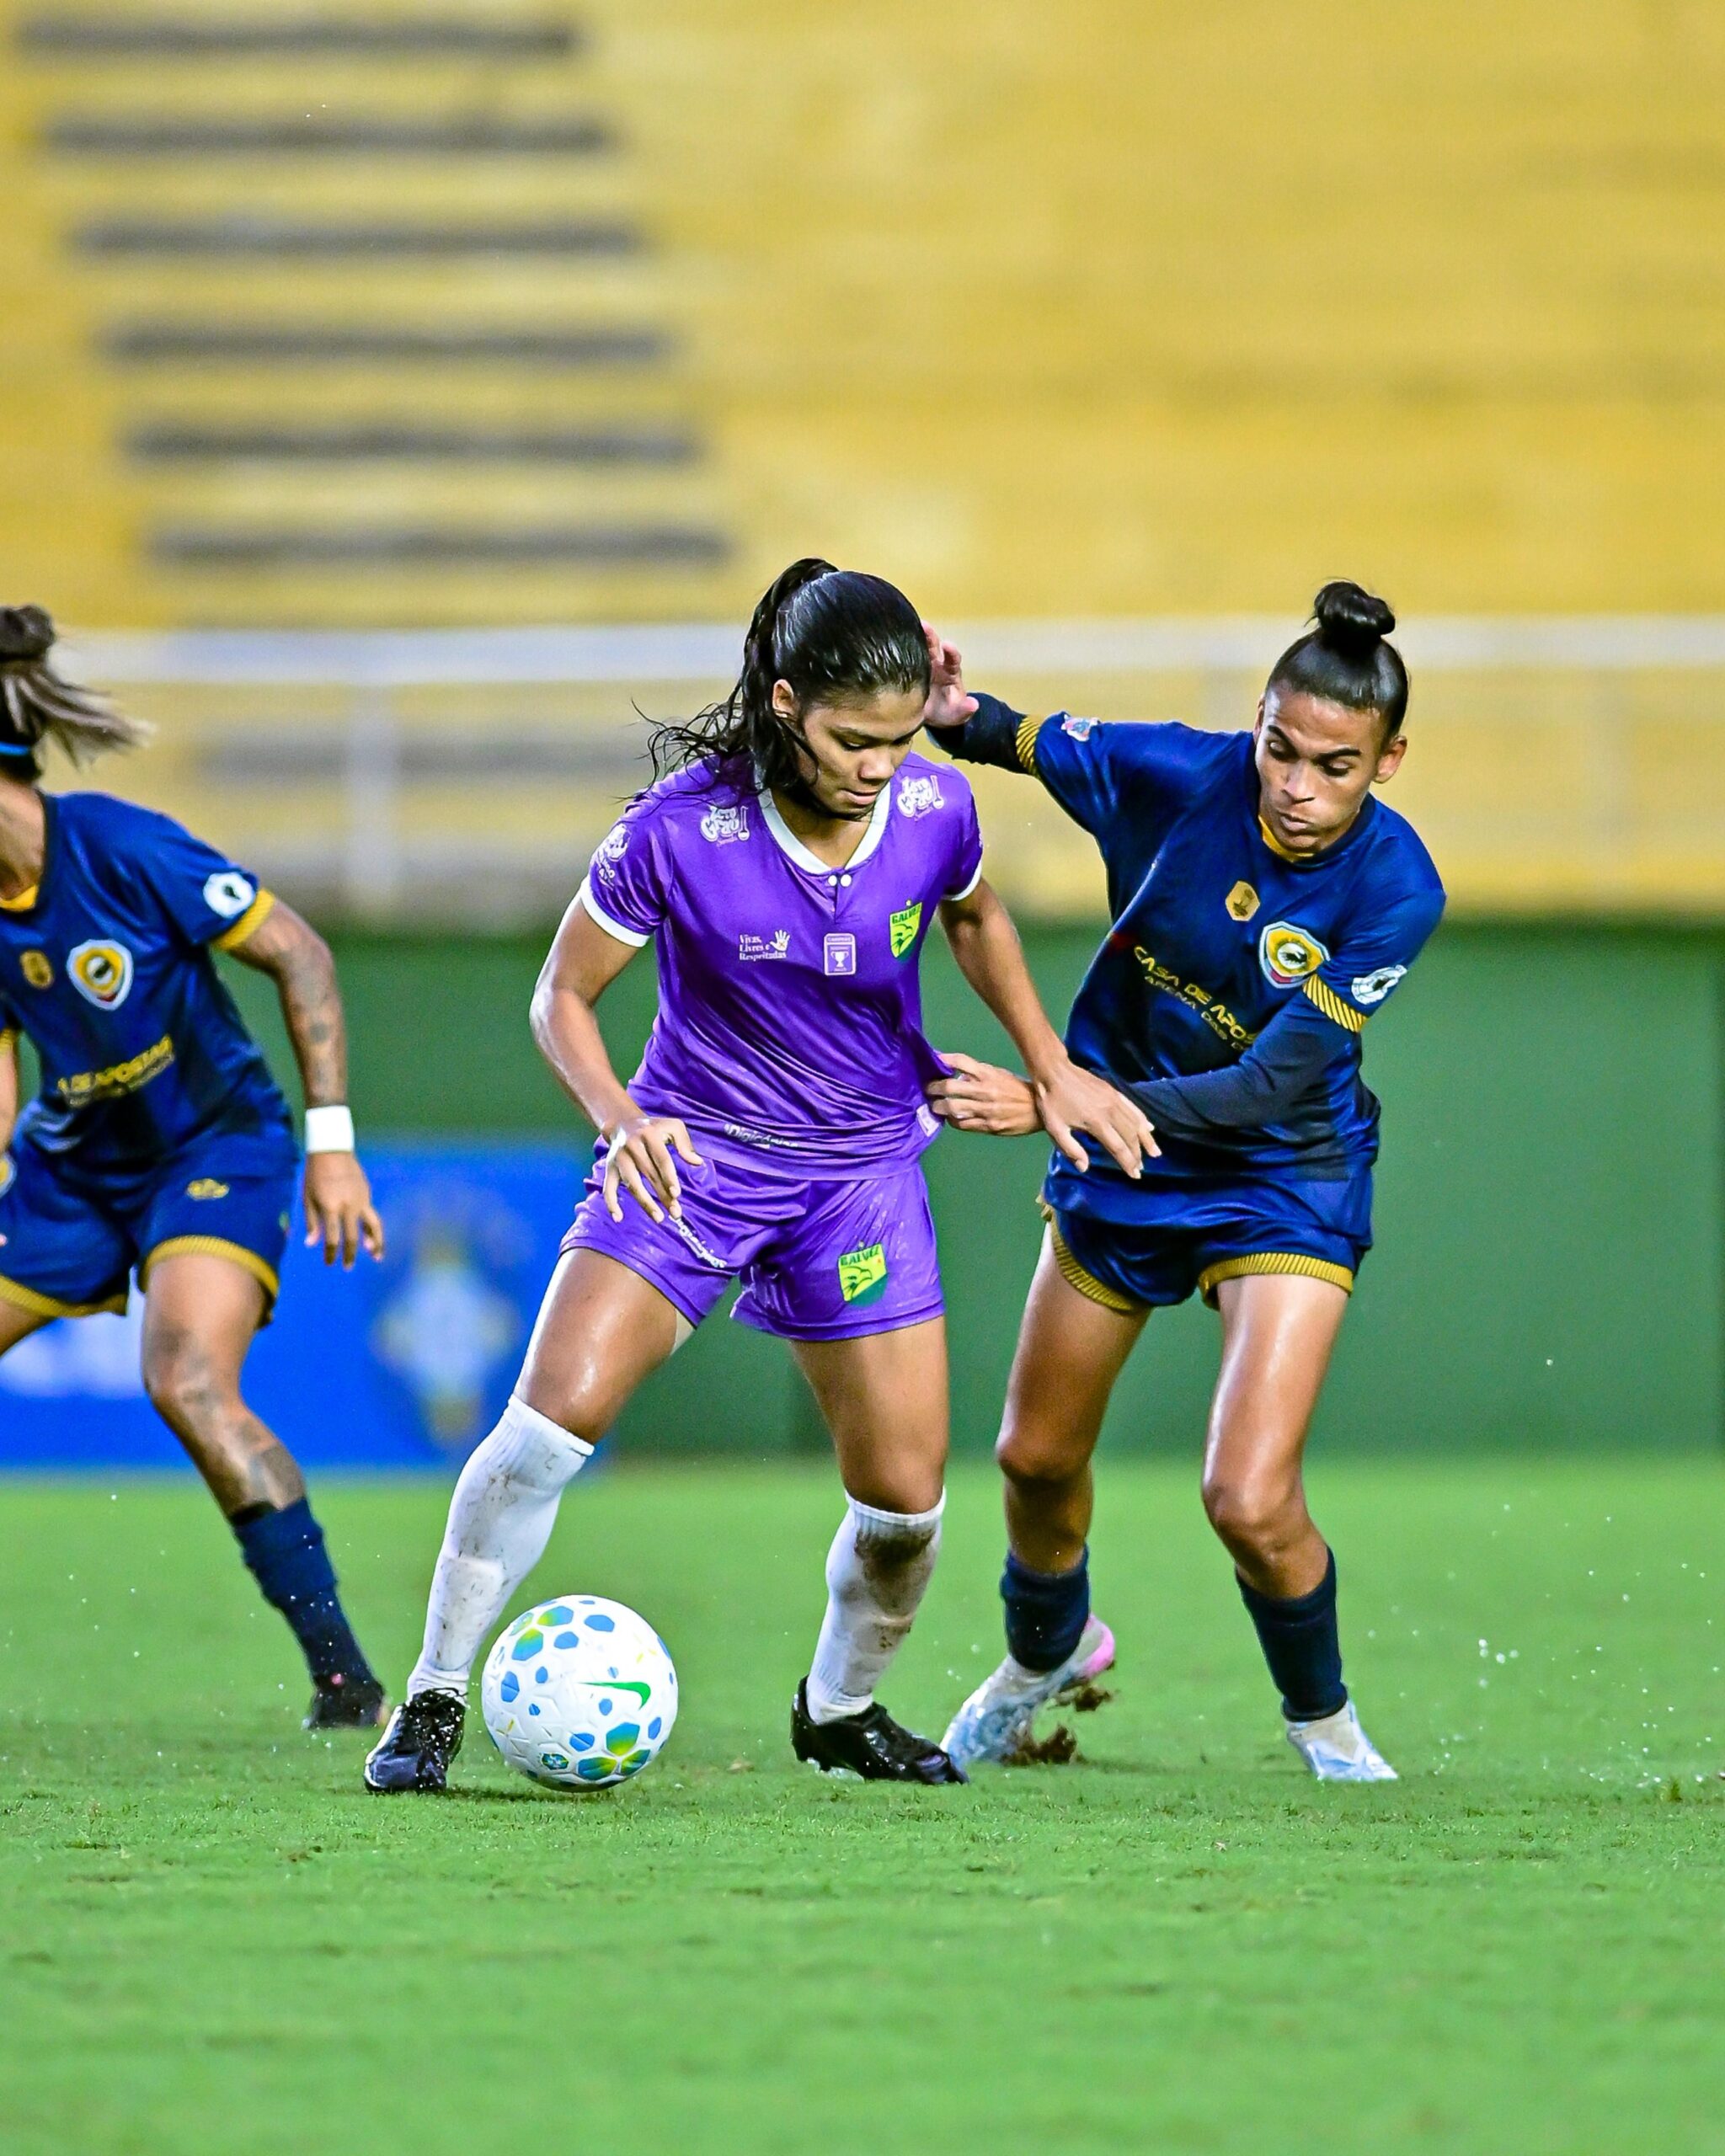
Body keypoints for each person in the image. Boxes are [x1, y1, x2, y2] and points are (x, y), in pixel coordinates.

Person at [366, 558, 1153, 1792]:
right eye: (852, 740)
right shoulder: (677, 830)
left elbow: (975, 915)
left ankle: (839, 1711)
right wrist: (620, 1115)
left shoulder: (936, 807)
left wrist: (1047, 1067)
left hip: (861, 1175)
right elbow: (561, 995)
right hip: (691, 1156)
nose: (878, 767)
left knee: (905, 1512)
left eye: (898, 739)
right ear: (786, 705)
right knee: (542, 1434)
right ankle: (431, 1697)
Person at [924, 582, 1445, 1780]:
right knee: (1033, 1460)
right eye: (1280, 749)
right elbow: (1021, 738)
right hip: (1125, 1154)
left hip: (1283, 1171)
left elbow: (1265, 1088)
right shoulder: (1175, 774)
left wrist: (1052, 1099)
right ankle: (1046, 1654)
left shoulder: (1396, 890)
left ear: (1387, 762)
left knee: (1247, 1498)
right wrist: (949, 711)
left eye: (1336, 766)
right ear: (1255, 725)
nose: (1296, 787)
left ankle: (1325, 1725)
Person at [0, 606, 389, 1730]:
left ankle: (344, 1679)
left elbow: (298, 952)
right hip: (74, 1170)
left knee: (185, 1381)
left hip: (215, 1149)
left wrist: (332, 1146)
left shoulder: (122, 848)